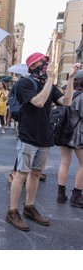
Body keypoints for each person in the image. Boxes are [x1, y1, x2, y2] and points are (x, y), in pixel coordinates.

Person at [5, 52, 81, 232]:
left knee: (36, 173)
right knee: (21, 174)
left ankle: (29, 207)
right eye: (42, 62)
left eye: (46, 62)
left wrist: (70, 79)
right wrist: (49, 80)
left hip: (44, 136)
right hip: (28, 135)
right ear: (32, 66)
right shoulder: (25, 83)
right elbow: (38, 102)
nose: (46, 65)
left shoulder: (48, 84)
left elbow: (67, 101)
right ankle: (12, 211)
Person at [57, 70, 83, 208]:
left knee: (64, 163)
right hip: (79, 135)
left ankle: (61, 194)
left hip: (65, 133)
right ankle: (77, 195)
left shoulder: (70, 94)